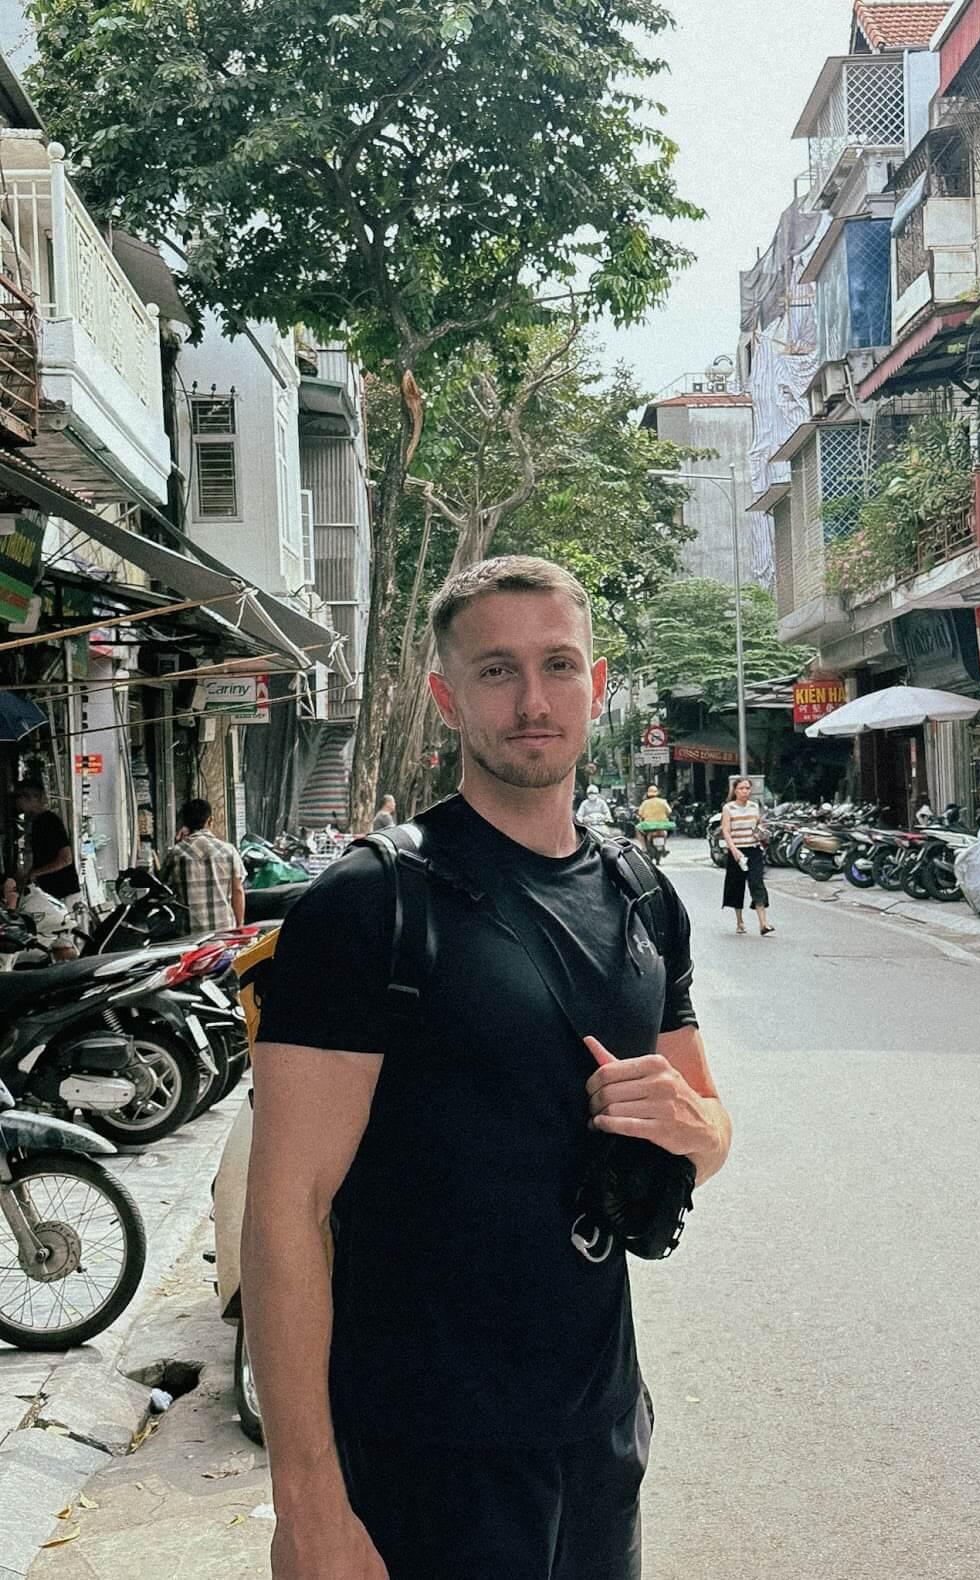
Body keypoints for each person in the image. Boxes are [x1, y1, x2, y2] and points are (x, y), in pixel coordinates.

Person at [244, 554, 732, 1580]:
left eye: (558, 664)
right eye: (497, 670)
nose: (533, 699)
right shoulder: (371, 904)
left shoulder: (643, 894)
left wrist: (690, 1125)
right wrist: (309, 1509)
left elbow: (709, 1126)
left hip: (598, 1432)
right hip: (421, 1457)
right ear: (445, 697)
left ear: (597, 685)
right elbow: (284, 1210)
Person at [160, 797, 246, 932]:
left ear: (184, 823)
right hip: (224, 932)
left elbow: (163, 888)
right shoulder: (229, 850)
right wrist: (240, 924)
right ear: (210, 820)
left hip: (190, 936)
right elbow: (238, 890)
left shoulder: (176, 853)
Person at [721, 776, 774, 936]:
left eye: (747, 788)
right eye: (741, 788)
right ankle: (739, 921)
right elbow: (726, 831)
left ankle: (763, 923)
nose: (745, 791)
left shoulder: (754, 806)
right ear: (735, 791)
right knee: (737, 886)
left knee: (757, 883)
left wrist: (763, 832)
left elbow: (758, 825)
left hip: (754, 850)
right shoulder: (728, 808)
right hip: (737, 851)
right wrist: (734, 851)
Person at [15, 780, 81, 903]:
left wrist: (35, 873)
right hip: (51, 893)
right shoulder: (35, 823)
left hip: (64, 892)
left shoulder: (49, 821)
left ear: (33, 798)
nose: (18, 802)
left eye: (20, 797)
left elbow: (66, 859)